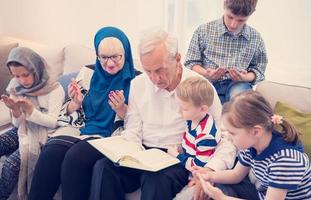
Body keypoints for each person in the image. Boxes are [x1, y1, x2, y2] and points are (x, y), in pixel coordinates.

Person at [88, 29, 236, 200]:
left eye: (160, 70)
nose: (155, 79)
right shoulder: (138, 84)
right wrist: (127, 153)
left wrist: (210, 169)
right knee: (103, 168)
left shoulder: (200, 87)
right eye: (148, 71)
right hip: (143, 153)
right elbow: (133, 127)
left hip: (176, 157)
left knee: (156, 179)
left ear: (178, 59)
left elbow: (225, 137)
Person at [28, 26, 136, 200]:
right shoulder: (87, 73)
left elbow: (139, 123)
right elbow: (68, 112)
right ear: (97, 56)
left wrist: (122, 110)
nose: (109, 63)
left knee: (75, 158)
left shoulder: (136, 81)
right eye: (104, 57)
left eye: (116, 57)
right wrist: (75, 103)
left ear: (126, 54)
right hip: (80, 129)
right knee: (51, 153)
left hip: (111, 137)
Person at [195, 91, 311, 200]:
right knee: (219, 184)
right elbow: (236, 175)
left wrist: (222, 198)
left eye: (232, 133)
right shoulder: (251, 145)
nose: (229, 138)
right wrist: (209, 176)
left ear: (256, 131)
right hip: (264, 194)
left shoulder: (286, 161)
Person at [0, 47, 65, 199]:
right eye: (17, 76)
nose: (22, 81)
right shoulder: (15, 85)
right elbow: (17, 125)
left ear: (36, 68)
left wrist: (31, 111)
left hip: (43, 135)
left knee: (11, 165)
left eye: (26, 75)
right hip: (22, 129)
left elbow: (53, 122)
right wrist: (15, 111)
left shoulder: (55, 89)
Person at [184, 0, 267, 104]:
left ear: (251, 13)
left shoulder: (255, 38)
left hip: (239, 85)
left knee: (241, 103)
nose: (233, 24)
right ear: (224, 5)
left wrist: (245, 77)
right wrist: (206, 73)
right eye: (230, 17)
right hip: (207, 84)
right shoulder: (203, 31)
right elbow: (190, 63)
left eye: (241, 20)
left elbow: (259, 70)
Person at [168, 76, 221, 171]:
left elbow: (198, 166)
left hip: (196, 173)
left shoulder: (205, 136)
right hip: (186, 158)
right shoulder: (192, 119)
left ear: (203, 109)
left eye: (184, 109)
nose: (179, 111)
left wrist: (176, 155)